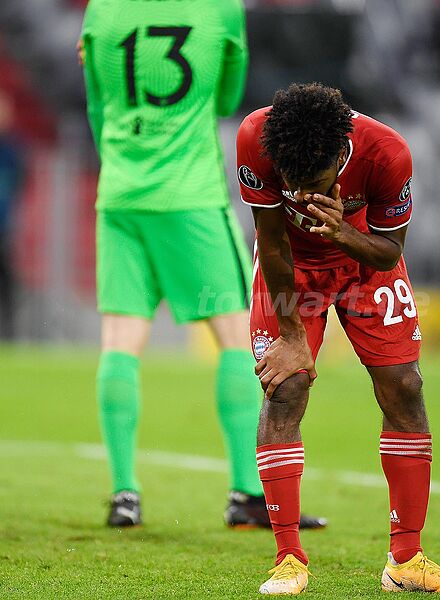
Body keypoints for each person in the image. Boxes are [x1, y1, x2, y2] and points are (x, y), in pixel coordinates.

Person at [79, 0, 324, 530]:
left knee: (120, 341)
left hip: (119, 196)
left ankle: (124, 494)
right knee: (236, 336)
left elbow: (97, 106)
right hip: (189, 197)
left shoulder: (102, 10)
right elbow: (228, 99)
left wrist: (125, 159)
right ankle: (248, 493)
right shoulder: (219, 9)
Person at [237, 83, 440, 595]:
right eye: (293, 185)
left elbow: (389, 252)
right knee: (286, 387)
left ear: (340, 156)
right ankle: (288, 558)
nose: (303, 196)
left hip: (364, 262)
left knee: (405, 387)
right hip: (291, 269)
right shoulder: (255, 138)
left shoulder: (387, 154)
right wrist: (291, 336)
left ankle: (406, 559)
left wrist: (343, 233)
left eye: (316, 184)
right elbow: (271, 240)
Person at [0, 92, 22, 341]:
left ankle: (9, 333)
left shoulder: (12, 150)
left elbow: (19, 182)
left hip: (3, 227)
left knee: (7, 284)